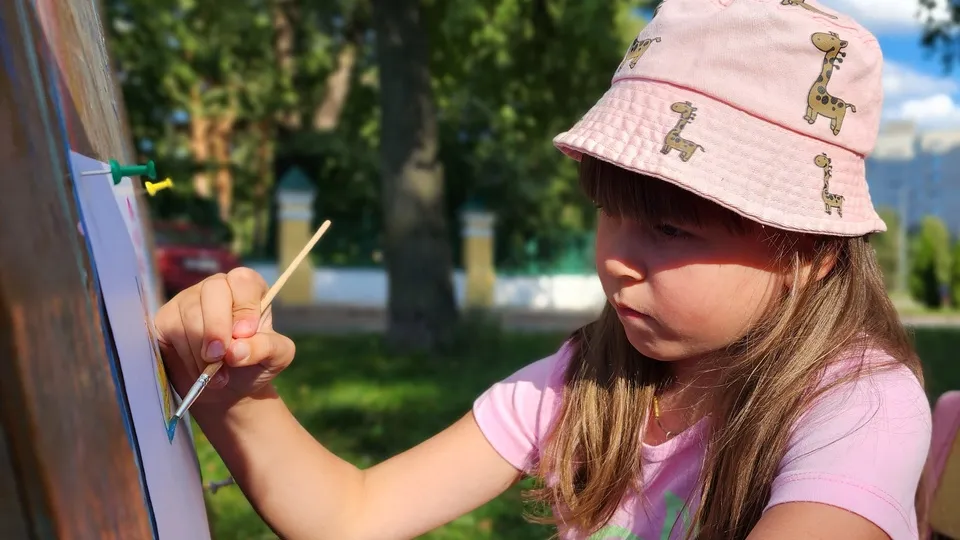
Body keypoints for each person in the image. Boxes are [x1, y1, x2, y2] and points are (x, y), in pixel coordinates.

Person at [155, 0, 933, 538]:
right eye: (610, 211)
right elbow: (354, 513)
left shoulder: (861, 406)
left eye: (666, 226)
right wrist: (236, 393)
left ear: (810, 252)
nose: (617, 260)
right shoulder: (584, 381)